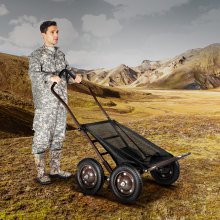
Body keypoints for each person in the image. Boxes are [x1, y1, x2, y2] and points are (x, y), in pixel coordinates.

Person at [28, 20, 82, 185]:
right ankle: (41, 172)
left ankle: (56, 169)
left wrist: (75, 78)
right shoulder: (36, 55)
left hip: (61, 103)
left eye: (57, 32)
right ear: (43, 34)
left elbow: (65, 73)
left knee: (59, 137)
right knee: (42, 138)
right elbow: (34, 75)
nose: (56, 35)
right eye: (52, 32)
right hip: (46, 105)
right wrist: (48, 77)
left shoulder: (60, 54)